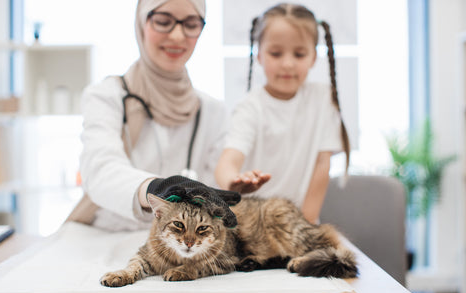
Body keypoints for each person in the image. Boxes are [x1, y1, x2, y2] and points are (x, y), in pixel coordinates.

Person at [69, 0, 238, 231]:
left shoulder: (213, 111)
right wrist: (154, 188)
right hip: (106, 236)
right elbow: (99, 171)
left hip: (182, 246)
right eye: (163, 21)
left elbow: (215, 188)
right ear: (141, 22)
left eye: (191, 24)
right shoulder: (106, 96)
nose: (178, 36)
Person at [215, 3, 350, 224]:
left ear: (313, 57)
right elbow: (227, 162)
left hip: (301, 227)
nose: (287, 64)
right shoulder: (251, 107)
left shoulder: (322, 99)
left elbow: (321, 165)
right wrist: (233, 182)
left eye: (299, 54)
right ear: (259, 55)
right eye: (276, 53)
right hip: (254, 228)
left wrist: (304, 226)